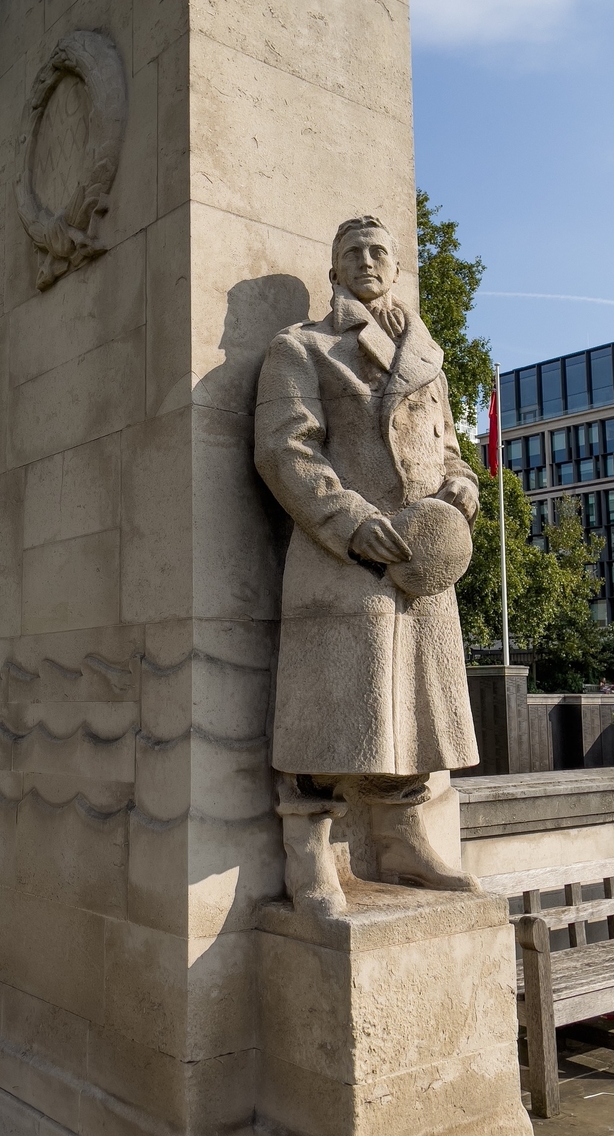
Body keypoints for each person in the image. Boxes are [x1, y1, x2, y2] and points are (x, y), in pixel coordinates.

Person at [254, 216, 481, 913]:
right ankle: (308, 856)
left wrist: (462, 482)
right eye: (350, 251)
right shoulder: (302, 347)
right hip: (343, 558)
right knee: (328, 716)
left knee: (417, 720)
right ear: (333, 271)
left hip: (420, 567)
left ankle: (406, 841)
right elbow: (286, 449)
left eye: (378, 250)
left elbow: (443, 445)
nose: (366, 259)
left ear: (395, 265)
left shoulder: (426, 355)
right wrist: (349, 521)